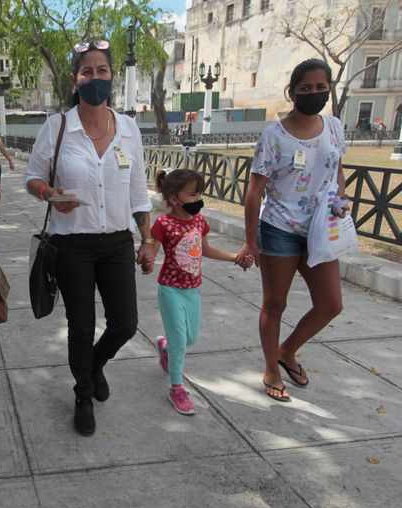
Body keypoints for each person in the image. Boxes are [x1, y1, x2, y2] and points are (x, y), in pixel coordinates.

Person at [23, 40, 155, 436]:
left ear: (111, 76)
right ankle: (83, 394)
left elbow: (138, 192)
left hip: (117, 242)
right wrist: (49, 194)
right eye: (87, 72)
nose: (95, 78)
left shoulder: (128, 129)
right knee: (80, 325)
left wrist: (147, 238)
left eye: (102, 71)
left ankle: (94, 364)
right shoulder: (58, 127)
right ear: (74, 79)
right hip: (72, 245)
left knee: (126, 323)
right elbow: (32, 177)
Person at [236, 59, 349, 401]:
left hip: (320, 230)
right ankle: (272, 368)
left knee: (331, 304)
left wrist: (341, 200)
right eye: (305, 88)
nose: (314, 94)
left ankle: (288, 350)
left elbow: (337, 171)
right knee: (275, 303)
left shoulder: (333, 127)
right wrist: (250, 242)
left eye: (320, 87)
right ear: (292, 92)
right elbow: (254, 191)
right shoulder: (274, 135)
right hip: (280, 229)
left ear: (329, 89)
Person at [147, 169, 254, 415]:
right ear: (174, 199)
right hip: (170, 290)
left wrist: (235, 258)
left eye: (199, 194)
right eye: (192, 195)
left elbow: (205, 250)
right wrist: (146, 258)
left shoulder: (199, 221)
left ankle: (165, 347)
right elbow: (152, 252)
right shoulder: (163, 223)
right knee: (181, 343)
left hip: (193, 290)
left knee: (190, 338)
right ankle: (176, 389)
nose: (198, 200)